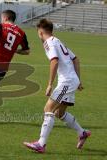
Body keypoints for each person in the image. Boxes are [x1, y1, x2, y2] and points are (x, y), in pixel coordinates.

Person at [23, 19, 91, 153]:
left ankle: (41, 144)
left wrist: (49, 84)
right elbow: (76, 59)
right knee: (59, 113)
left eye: (38, 32)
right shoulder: (58, 41)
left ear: (40, 32)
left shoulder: (48, 43)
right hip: (71, 81)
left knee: (48, 108)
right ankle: (82, 133)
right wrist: (78, 79)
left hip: (66, 82)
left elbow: (54, 61)